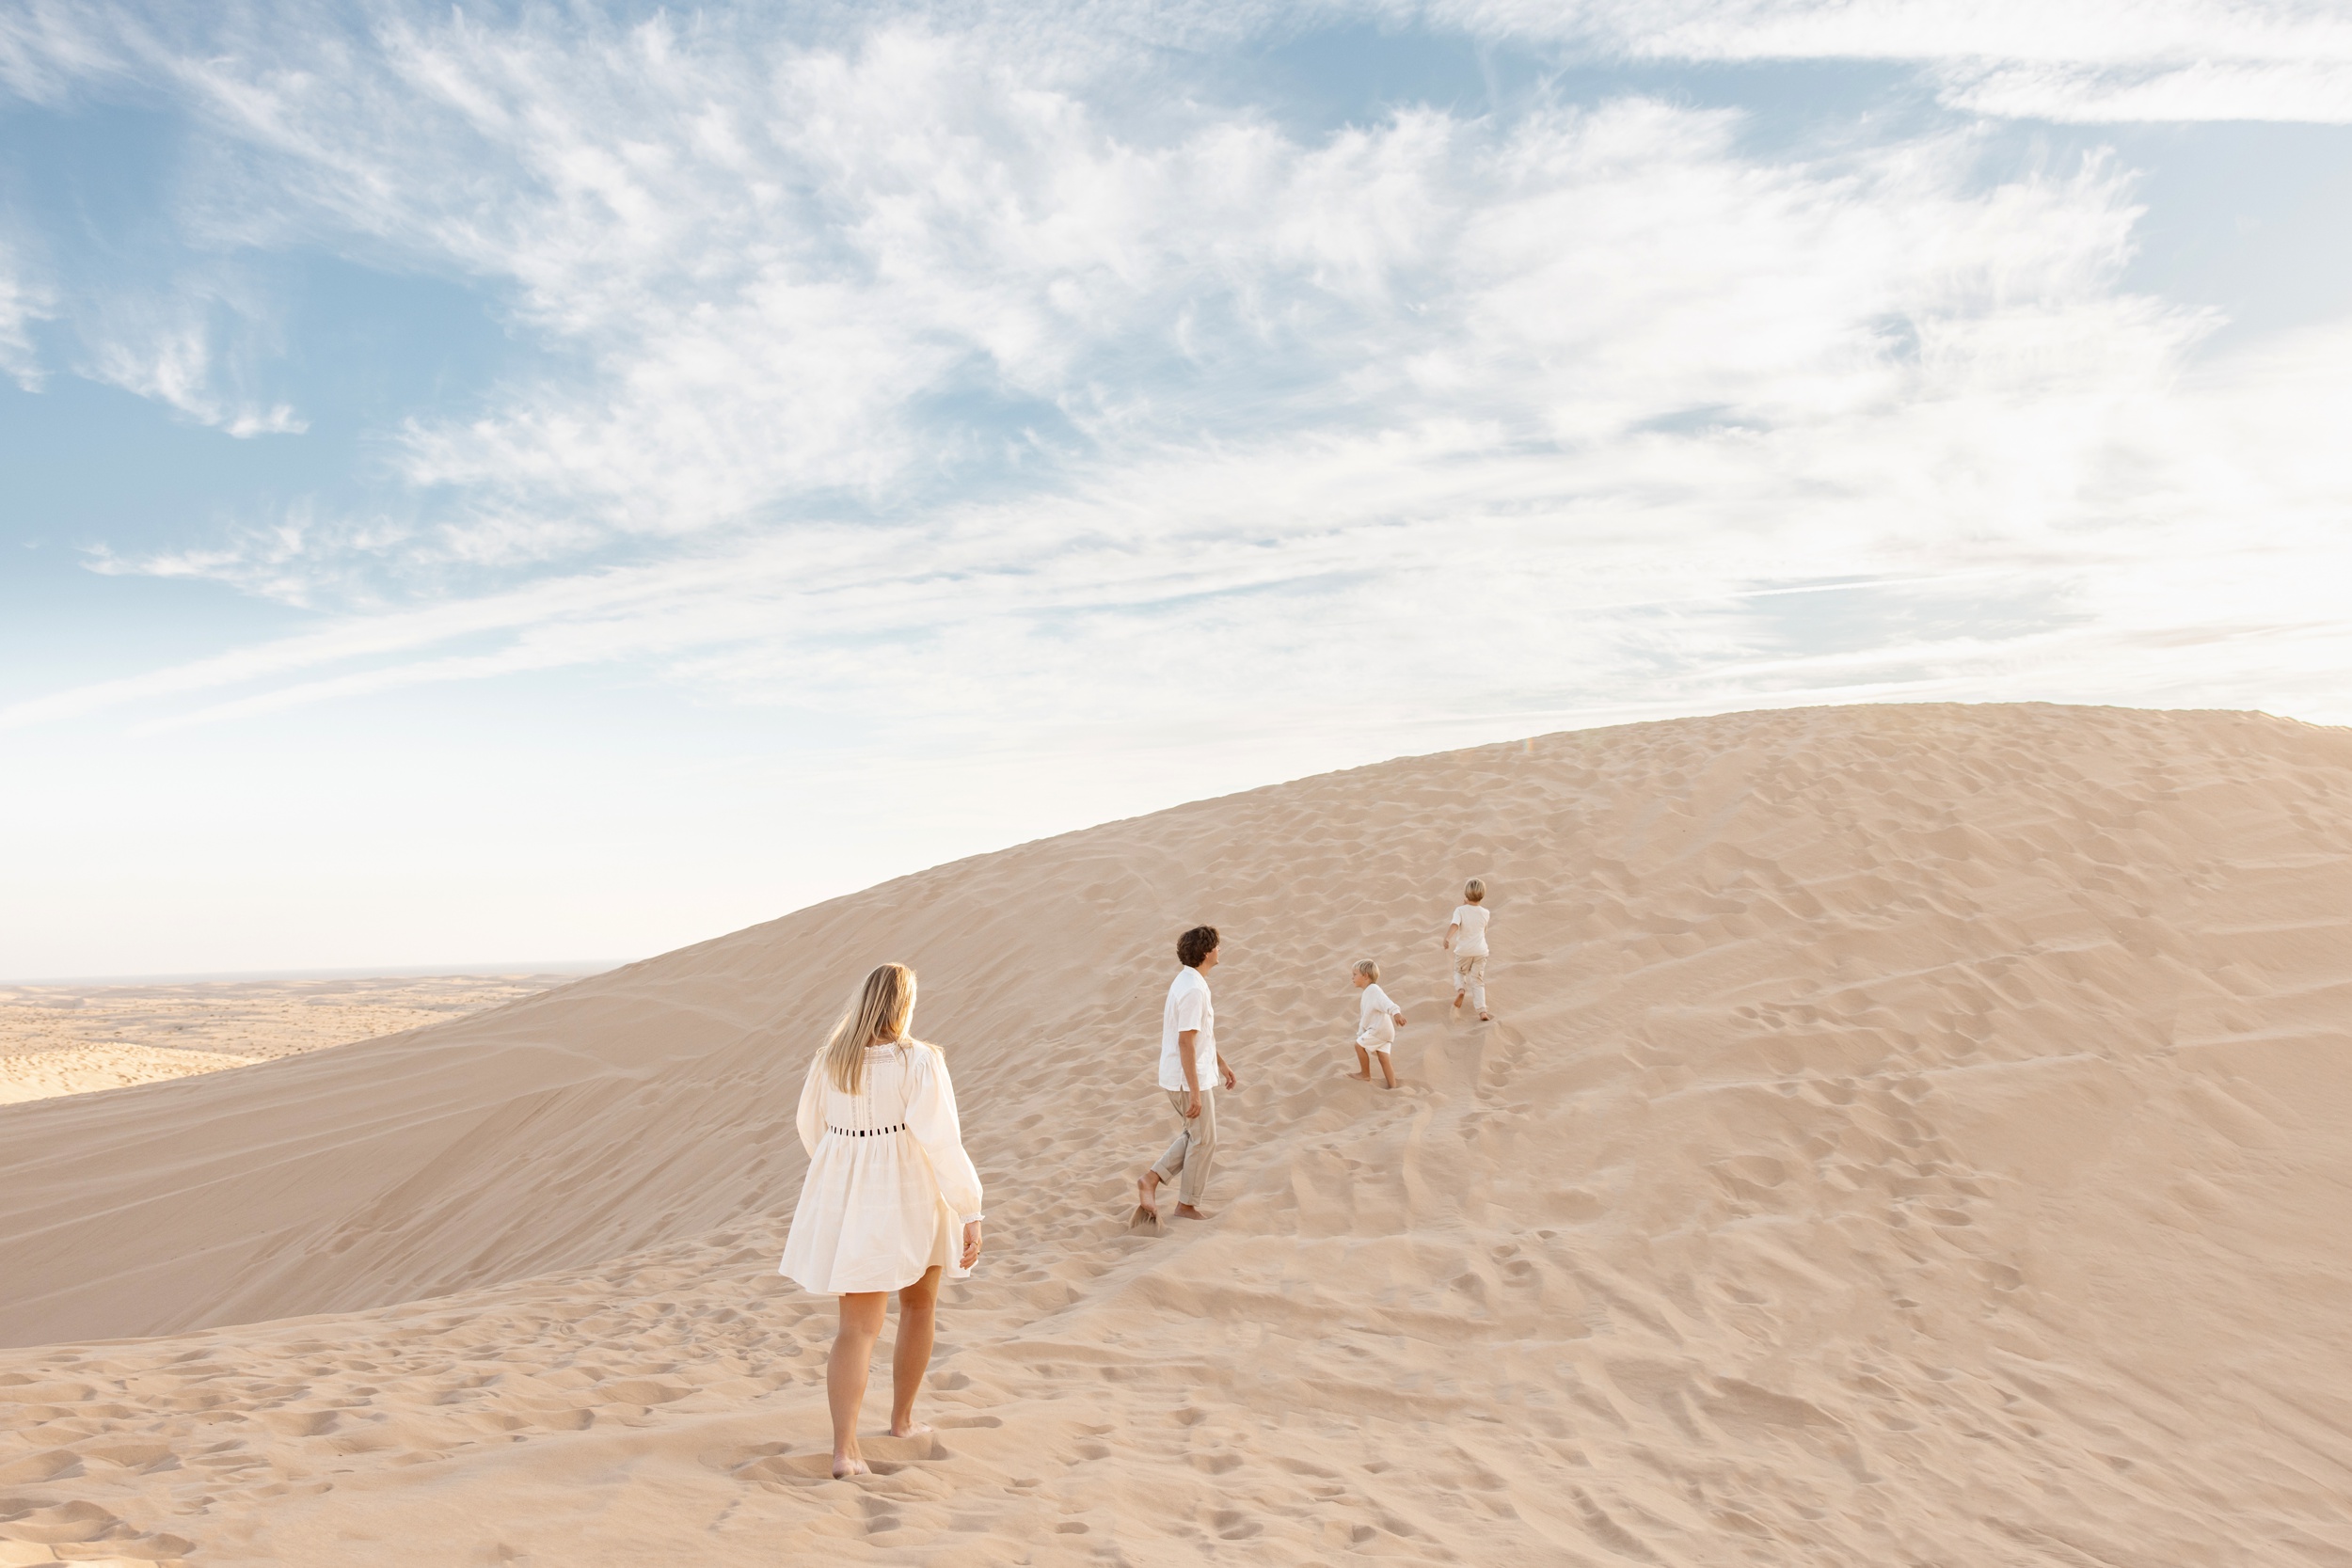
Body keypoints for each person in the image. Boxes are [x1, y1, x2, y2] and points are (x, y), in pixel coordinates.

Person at [778, 963, 984, 1479]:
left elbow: (810, 1128)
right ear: (904, 1005)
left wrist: (844, 1168)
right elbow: (942, 1140)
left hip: (851, 1198)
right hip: (912, 1192)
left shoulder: (831, 1059)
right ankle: (902, 1421)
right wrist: (970, 1208)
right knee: (919, 1305)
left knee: (856, 1329)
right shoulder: (919, 1061)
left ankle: (845, 1451)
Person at [1136, 925, 1238, 1223]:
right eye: (1217, 946)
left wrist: (1221, 1062)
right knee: (1204, 1139)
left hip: (1188, 1073)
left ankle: (1153, 1181)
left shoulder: (1189, 981)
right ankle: (1183, 1203)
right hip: (1186, 1078)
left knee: (1197, 1135)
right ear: (1206, 953)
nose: (1220, 950)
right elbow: (1185, 1041)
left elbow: (1199, 1034)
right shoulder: (1193, 989)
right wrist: (1195, 1092)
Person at [1345, 958, 1406, 1089]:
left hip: (1379, 1030)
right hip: (1385, 1031)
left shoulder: (1373, 990)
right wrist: (1362, 1032)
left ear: (1365, 975)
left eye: (1355, 974)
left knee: (1358, 1046)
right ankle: (1393, 1086)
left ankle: (1365, 1074)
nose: (1352, 977)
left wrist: (1396, 1013)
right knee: (1384, 1058)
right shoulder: (1368, 992)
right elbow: (1367, 1017)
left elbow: (1386, 1002)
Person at [1445, 878, 1493, 1022]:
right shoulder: (1485, 913)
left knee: (1459, 972)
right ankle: (1482, 1011)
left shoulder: (1460, 910)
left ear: (1466, 894)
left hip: (1464, 951)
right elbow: (1483, 929)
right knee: (1478, 980)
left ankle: (1461, 990)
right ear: (1482, 895)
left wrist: (1447, 938)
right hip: (1481, 951)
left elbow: (1455, 925)